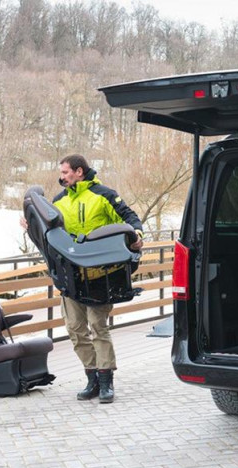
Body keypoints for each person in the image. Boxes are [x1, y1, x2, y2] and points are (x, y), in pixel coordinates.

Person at [23, 154, 143, 403]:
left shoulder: (104, 195)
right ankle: (93, 379)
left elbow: (130, 219)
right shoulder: (58, 201)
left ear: (79, 171)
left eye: (66, 172)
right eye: (62, 172)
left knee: (98, 326)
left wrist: (137, 235)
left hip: (101, 274)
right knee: (75, 329)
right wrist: (32, 227)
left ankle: (106, 381)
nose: (62, 177)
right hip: (71, 276)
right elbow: (50, 237)